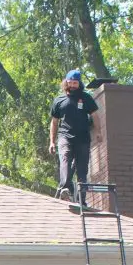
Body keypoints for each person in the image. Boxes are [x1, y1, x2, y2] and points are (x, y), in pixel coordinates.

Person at [49, 69, 101, 203]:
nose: (72, 85)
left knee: (82, 169)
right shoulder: (59, 100)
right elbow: (54, 122)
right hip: (64, 136)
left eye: (75, 83)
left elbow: (95, 115)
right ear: (66, 82)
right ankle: (65, 189)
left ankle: (81, 199)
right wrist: (52, 142)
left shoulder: (86, 98)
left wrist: (99, 131)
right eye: (70, 82)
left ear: (79, 84)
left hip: (83, 138)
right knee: (65, 157)